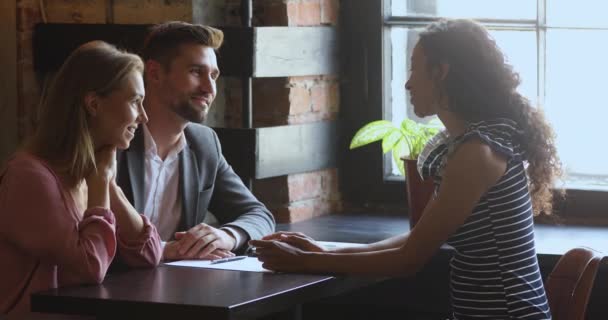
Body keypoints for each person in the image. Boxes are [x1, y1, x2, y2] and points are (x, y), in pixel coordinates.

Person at [251, 19, 562, 320]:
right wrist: (322, 253)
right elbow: (416, 239)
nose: (407, 82)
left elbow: (409, 260)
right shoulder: (477, 143)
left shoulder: (476, 154)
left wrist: (307, 262)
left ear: (441, 72)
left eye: (414, 67)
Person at [0, 41, 163, 315]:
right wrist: (101, 182)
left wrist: (108, 183)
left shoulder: (90, 172)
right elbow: (90, 267)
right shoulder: (29, 176)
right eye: (136, 102)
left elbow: (149, 255)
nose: (144, 117)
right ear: (93, 103)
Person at [115, 21, 275, 261]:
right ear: (155, 73)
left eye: (213, 75)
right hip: (105, 288)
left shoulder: (203, 143)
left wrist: (226, 236)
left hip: (180, 287)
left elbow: (258, 214)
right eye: (195, 72)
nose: (209, 88)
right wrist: (164, 251)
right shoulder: (112, 138)